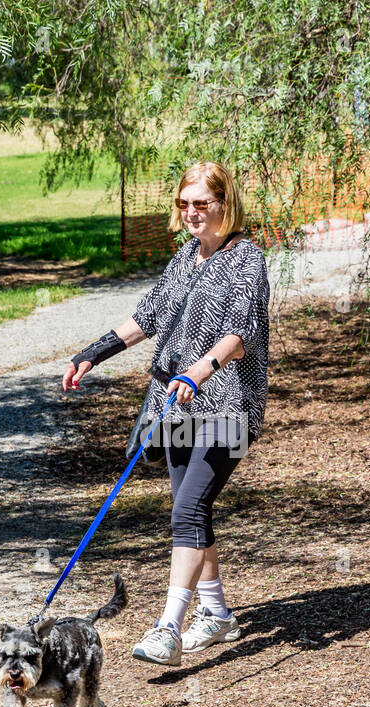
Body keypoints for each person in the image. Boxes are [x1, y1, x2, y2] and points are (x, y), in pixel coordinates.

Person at [61, 160, 270, 666]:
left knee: (188, 510)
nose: (193, 213)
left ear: (226, 204)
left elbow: (241, 333)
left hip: (227, 407)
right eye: (184, 204)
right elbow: (148, 316)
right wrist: (92, 352)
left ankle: (168, 629)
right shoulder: (185, 257)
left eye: (203, 203)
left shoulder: (247, 259)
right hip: (172, 405)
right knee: (190, 510)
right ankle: (217, 613)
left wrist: (199, 371)